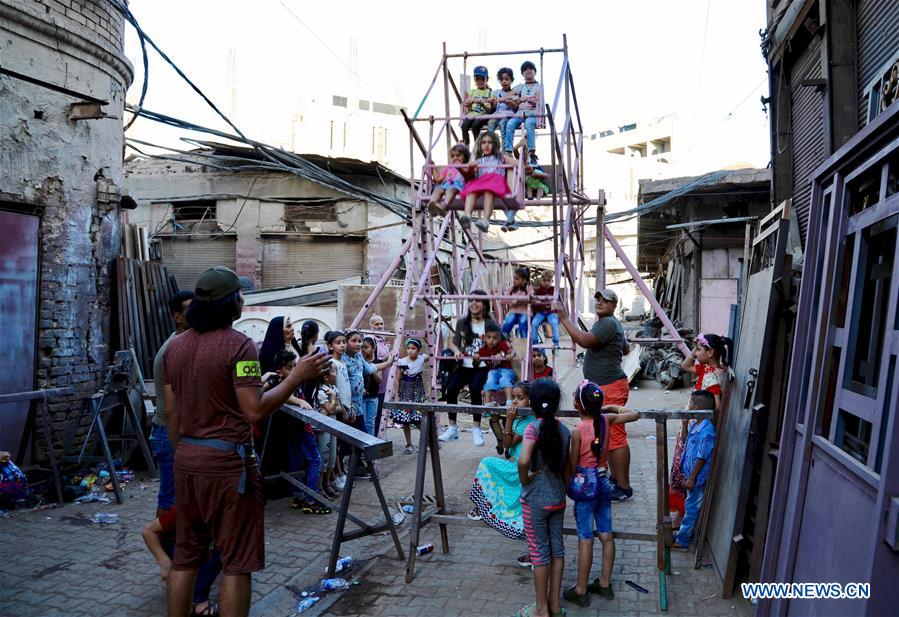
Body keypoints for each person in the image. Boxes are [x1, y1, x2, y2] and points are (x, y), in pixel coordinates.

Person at [163, 266, 329, 617]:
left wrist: (185, 454)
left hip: (187, 461)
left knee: (185, 555)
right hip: (227, 467)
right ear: (230, 303)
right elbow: (254, 411)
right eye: (239, 294)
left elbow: (172, 413)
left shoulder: (176, 347)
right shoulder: (239, 346)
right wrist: (296, 376)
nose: (242, 300)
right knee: (237, 561)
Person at [562, 381, 638, 608]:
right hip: (604, 483)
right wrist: (612, 408)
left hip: (586, 488)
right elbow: (634, 415)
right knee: (606, 534)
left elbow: (572, 464)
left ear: (577, 404)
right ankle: (604, 583)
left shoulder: (577, 431)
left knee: (585, 539)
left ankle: (581, 589)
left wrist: (566, 485)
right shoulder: (607, 420)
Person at [555, 289, 634, 502]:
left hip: (610, 386)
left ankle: (623, 487)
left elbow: (585, 341)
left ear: (614, 304)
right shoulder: (610, 323)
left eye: (605, 299)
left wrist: (563, 318)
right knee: (609, 433)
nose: (599, 302)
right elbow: (625, 349)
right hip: (608, 385)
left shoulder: (608, 323)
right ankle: (617, 480)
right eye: (597, 298)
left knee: (615, 435)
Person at [517, 378, 570, 617]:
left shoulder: (532, 428)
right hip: (558, 499)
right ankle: (555, 605)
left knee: (539, 554)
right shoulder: (565, 430)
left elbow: (524, 459)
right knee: (557, 551)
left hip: (536, 501)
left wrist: (525, 478)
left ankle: (541, 609)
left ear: (533, 403)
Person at [469, 381, 536, 569]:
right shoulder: (520, 419)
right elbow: (502, 438)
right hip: (519, 465)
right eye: (513, 397)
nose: (515, 401)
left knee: (487, 464)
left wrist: (507, 419)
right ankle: (485, 506)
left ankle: (486, 508)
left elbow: (507, 444)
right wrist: (495, 418)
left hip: (523, 468)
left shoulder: (528, 422)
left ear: (531, 400)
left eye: (520, 398)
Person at [669, 333, 731, 525]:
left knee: (685, 469)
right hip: (692, 425)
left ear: (711, 352)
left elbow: (717, 406)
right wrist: (697, 347)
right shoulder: (708, 369)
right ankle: (680, 515)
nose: (695, 354)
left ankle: (682, 517)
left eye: (700, 350)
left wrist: (699, 422)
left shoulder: (712, 376)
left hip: (696, 430)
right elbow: (685, 366)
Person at [261, 350, 328, 515]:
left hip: (296, 428)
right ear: (280, 371)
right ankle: (311, 499)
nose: (294, 370)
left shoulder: (290, 380)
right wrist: (298, 400)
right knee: (314, 460)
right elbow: (267, 390)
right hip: (299, 428)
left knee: (297, 462)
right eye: (290, 367)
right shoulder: (279, 381)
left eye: (294, 366)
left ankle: (299, 495)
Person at [150, 290, 194, 516]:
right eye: (191, 309)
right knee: (170, 500)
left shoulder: (182, 342)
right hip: (169, 432)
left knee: (176, 497)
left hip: (171, 431)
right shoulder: (176, 347)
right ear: (178, 317)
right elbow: (172, 405)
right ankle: (163, 549)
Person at [439, 290, 498, 446]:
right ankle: (452, 427)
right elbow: (453, 342)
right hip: (464, 364)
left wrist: (485, 352)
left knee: (475, 388)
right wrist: (457, 350)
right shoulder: (462, 323)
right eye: (471, 300)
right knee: (451, 389)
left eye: (477, 300)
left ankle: (477, 428)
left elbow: (499, 345)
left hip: (481, 366)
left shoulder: (490, 324)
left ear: (484, 304)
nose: (473, 303)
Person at [142, 506, 223, 617]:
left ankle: (197, 596)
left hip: (192, 544)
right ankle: (198, 600)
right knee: (211, 555)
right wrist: (163, 560)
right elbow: (147, 531)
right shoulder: (186, 509)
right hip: (175, 546)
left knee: (220, 553)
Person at [672, 391, 716, 550]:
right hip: (690, 475)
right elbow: (684, 441)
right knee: (689, 504)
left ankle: (682, 540)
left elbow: (702, 456)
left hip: (696, 478)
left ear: (696, 407)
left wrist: (692, 478)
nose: (688, 406)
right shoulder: (695, 425)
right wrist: (684, 424)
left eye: (690, 404)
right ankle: (683, 535)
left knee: (691, 508)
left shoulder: (706, 430)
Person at [458, 131, 516, 232]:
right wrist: (471, 167)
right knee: (471, 191)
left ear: (495, 144)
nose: (486, 145)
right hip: (481, 182)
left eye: (490, 142)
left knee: (489, 192)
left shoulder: (501, 157)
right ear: (480, 145)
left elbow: (516, 164)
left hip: (494, 181)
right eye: (483, 142)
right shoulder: (478, 160)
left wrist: (525, 165)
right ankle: (467, 215)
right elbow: (471, 174)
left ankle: (485, 220)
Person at [344, 330, 393, 437]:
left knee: (367, 425)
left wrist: (388, 363)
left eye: (359, 341)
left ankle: (366, 449)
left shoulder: (358, 356)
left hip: (359, 403)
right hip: (347, 403)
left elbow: (370, 369)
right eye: (354, 341)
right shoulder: (342, 358)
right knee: (350, 432)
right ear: (346, 342)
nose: (358, 344)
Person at [324, 330, 353, 490]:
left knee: (341, 444)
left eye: (343, 342)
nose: (342, 345)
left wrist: (350, 406)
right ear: (330, 346)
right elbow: (334, 388)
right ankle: (336, 475)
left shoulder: (342, 362)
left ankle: (340, 473)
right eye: (338, 343)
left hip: (346, 406)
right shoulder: (332, 363)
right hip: (337, 408)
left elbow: (346, 385)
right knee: (336, 445)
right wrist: (342, 409)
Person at [390, 339, 427, 454]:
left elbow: (433, 352)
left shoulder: (421, 359)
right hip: (405, 392)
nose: (410, 351)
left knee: (418, 419)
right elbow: (397, 379)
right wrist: (396, 395)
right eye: (409, 348)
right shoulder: (402, 362)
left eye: (413, 348)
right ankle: (409, 444)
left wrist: (428, 341)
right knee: (405, 420)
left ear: (419, 350)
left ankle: (427, 441)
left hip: (417, 392)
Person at [311, 363, 341, 498]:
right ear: (326, 377)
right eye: (333, 372)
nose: (336, 374)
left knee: (332, 456)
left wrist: (330, 408)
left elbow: (337, 409)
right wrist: (333, 399)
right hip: (323, 428)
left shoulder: (332, 388)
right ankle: (320, 486)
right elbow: (331, 409)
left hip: (332, 424)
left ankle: (327, 483)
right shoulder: (321, 391)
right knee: (324, 455)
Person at [505, 61, 543, 160]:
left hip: (532, 113)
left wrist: (526, 98)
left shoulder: (538, 86)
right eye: (525, 69)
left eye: (530, 68)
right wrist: (516, 98)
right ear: (522, 73)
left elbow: (538, 101)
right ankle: (508, 150)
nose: (528, 70)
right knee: (510, 123)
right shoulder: (520, 87)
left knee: (529, 124)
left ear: (535, 71)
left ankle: (532, 151)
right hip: (520, 112)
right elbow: (508, 95)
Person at [479, 321, 517, 408]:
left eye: (494, 338)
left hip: (506, 369)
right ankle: (487, 403)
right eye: (489, 337)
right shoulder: (483, 349)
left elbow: (512, 352)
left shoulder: (502, 345)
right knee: (490, 380)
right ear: (484, 338)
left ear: (499, 339)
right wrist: (476, 357)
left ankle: (509, 401)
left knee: (504, 379)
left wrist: (510, 355)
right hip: (493, 370)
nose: (491, 340)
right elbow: (479, 358)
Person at [427, 143, 470, 217]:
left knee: (450, 190)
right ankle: (432, 204)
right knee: (438, 189)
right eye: (453, 156)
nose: (455, 158)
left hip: (458, 186)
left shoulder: (466, 166)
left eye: (458, 155)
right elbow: (438, 180)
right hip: (446, 185)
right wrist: (434, 168)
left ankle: (444, 206)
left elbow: (469, 177)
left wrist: (460, 167)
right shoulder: (448, 167)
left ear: (465, 157)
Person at [368, 314, 392, 436]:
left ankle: (379, 437)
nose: (379, 326)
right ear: (371, 325)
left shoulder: (382, 339)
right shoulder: (370, 340)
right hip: (375, 383)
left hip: (384, 384)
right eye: (376, 324)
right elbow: (372, 361)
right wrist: (387, 359)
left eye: (381, 324)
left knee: (380, 414)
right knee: (374, 415)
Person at [461, 65, 493, 147]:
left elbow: (490, 110)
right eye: (478, 79)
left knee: (476, 125)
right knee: (464, 126)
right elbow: (467, 106)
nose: (480, 81)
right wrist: (469, 103)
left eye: (482, 79)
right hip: (472, 115)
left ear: (487, 79)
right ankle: (466, 146)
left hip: (483, 115)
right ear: (475, 80)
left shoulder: (489, 92)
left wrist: (482, 103)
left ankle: (478, 146)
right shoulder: (472, 91)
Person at [488, 67, 519, 143]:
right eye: (501, 79)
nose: (504, 81)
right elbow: (494, 107)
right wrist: (492, 102)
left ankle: (505, 148)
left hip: (508, 114)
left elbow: (515, 108)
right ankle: (491, 144)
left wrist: (506, 101)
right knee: (490, 122)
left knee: (503, 123)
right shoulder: (496, 92)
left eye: (506, 79)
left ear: (511, 80)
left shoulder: (515, 93)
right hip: (498, 113)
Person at [530, 270, 559, 349]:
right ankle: (535, 343)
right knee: (534, 323)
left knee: (554, 322)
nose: (546, 283)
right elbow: (535, 302)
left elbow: (557, 301)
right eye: (544, 281)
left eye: (548, 281)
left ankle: (556, 343)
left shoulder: (554, 290)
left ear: (552, 281)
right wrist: (536, 302)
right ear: (541, 281)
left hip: (551, 311)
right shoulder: (539, 291)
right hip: (541, 312)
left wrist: (553, 302)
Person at [360, 337, 384, 436]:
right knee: (362, 422)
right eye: (362, 348)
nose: (363, 350)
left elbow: (380, 380)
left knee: (371, 422)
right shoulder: (360, 361)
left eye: (366, 347)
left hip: (373, 396)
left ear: (373, 349)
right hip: (361, 396)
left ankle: (370, 443)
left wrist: (371, 368)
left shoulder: (378, 362)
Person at [502, 267, 531, 339]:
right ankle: (503, 339)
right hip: (513, 311)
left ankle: (525, 341)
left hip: (525, 312)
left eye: (517, 279)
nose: (514, 281)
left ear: (524, 280)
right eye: (514, 278)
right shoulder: (510, 289)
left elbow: (530, 298)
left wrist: (518, 301)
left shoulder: (528, 289)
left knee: (522, 323)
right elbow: (504, 300)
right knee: (508, 321)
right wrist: (513, 301)